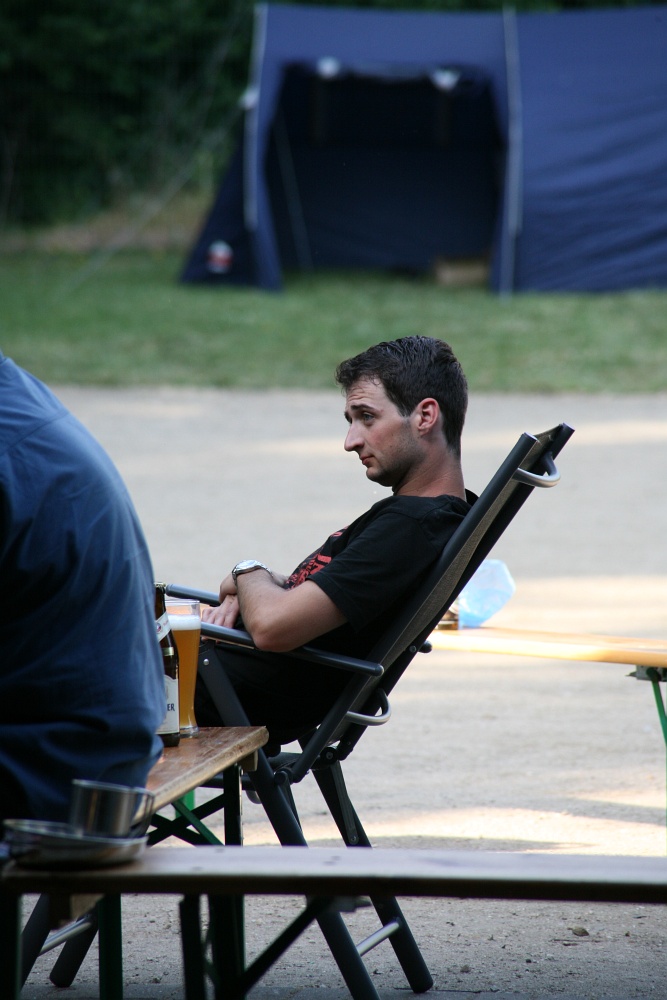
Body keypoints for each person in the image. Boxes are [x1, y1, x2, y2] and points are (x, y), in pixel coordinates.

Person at [196, 335, 475, 745]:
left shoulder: (412, 527)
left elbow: (272, 627)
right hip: (220, 673)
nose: (351, 441)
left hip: (211, 691)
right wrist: (260, 590)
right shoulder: (424, 519)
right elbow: (306, 600)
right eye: (351, 421)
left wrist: (247, 571)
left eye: (367, 417)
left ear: (425, 416)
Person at [0, 352, 165, 824]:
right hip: (99, 754)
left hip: (52, 775)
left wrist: (248, 573)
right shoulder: (21, 401)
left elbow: (274, 627)